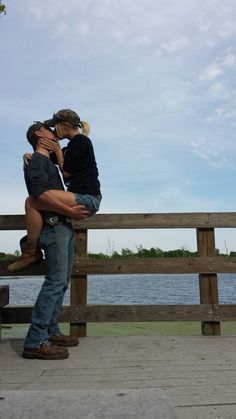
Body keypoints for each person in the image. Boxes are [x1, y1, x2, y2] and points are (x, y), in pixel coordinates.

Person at [21, 122, 91, 359]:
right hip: (54, 226)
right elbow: (38, 194)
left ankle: (51, 331)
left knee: (61, 283)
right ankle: (35, 340)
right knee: (54, 283)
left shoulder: (44, 161)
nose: (55, 134)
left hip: (63, 226)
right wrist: (70, 211)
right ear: (40, 134)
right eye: (50, 131)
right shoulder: (36, 162)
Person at [7, 109, 101, 272]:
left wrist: (57, 150)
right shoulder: (69, 148)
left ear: (65, 126)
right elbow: (43, 157)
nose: (52, 131)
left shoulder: (80, 141)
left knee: (32, 202)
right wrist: (27, 154)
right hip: (82, 197)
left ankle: (31, 250)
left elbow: (66, 173)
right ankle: (33, 247)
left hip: (87, 198)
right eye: (48, 129)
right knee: (36, 201)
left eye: (54, 126)